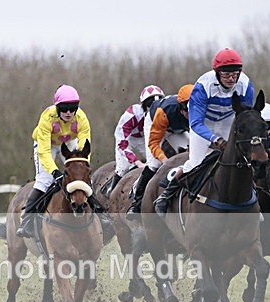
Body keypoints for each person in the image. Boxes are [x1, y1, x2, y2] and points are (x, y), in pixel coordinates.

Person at [154, 48, 255, 216]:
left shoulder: (245, 85)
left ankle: (254, 201)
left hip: (228, 121)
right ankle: (166, 195)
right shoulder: (203, 86)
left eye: (235, 73)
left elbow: (246, 115)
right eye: (226, 74)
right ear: (217, 73)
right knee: (195, 163)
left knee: (244, 161)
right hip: (203, 125)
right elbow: (195, 123)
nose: (231, 78)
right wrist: (216, 139)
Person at [16, 85, 111, 239]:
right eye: (65, 109)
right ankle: (27, 220)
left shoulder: (81, 118)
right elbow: (44, 152)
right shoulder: (47, 118)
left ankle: (101, 215)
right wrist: (55, 172)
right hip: (46, 145)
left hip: (68, 142)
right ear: (57, 108)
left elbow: (84, 147)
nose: (68, 112)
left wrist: (80, 168)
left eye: (72, 108)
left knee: (82, 178)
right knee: (44, 180)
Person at [126, 84, 193, 219]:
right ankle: (136, 203)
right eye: (188, 110)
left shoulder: (201, 110)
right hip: (156, 123)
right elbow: (153, 143)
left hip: (177, 129)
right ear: (180, 108)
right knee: (154, 164)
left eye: (195, 109)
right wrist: (165, 160)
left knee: (191, 156)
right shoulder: (164, 112)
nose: (192, 114)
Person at [102, 85, 165, 198]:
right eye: (151, 107)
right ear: (144, 106)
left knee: (156, 163)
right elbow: (122, 144)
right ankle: (110, 194)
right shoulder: (131, 115)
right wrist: (137, 162)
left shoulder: (164, 114)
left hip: (145, 138)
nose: (155, 112)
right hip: (127, 140)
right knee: (123, 167)